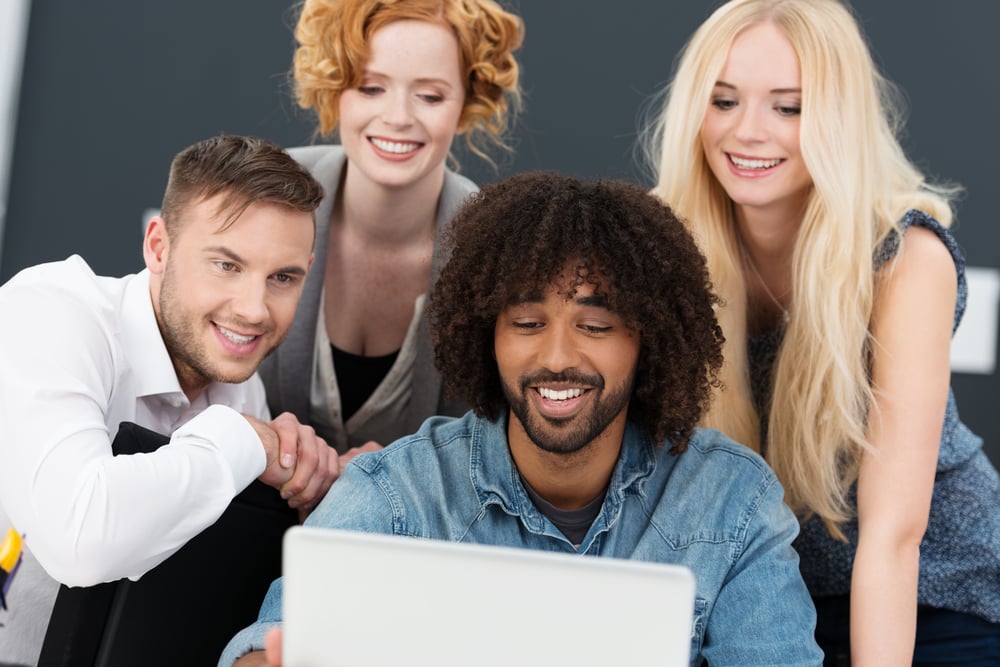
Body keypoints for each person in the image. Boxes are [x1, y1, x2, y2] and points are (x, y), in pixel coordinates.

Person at [220, 172, 824, 667]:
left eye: (595, 326)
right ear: (488, 338)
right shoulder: (397, 496)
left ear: (649, 342)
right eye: (528, 325)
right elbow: (266, 642)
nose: (557, 357)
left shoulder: (731, 502)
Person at [643, 0, 1000, 663]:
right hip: (767, 605)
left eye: (789, 107)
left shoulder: (905, 259)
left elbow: (894, 536)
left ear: (837, 119)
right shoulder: (666, 248)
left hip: (934, 600)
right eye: (724, 101)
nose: (748, 131)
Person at [0, 134, 341, 665]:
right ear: (158, 246)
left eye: (282, 277)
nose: (254, 309)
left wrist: (319, 489)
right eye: (226, 265)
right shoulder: (48, 314)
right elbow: (80, 541)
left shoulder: (241, 387)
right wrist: (246, 439)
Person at [258, 0, 523, 457]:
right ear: (334, 89)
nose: (398, 116)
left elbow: (504, 449)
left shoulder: (499, 252)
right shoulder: (262, 199)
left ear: (466, 104)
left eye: (431, 95)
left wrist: (401, 472)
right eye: (371, 88)